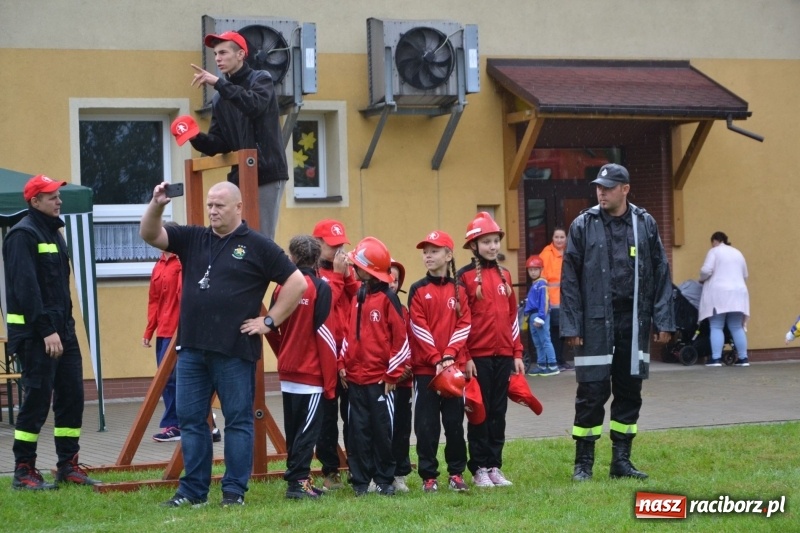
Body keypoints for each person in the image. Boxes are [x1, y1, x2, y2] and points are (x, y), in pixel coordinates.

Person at [140, 180, 307, 507]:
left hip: (234, 351)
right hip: (191, 350)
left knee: (238, 421)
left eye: (219, 205)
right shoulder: (193, 238)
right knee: (190, 420)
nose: (213, 211)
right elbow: (149, 234)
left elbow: (297, 283)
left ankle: (233, 493)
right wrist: (157, 203)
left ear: (238, 208)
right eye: (210, 205)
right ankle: (192, 492)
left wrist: (269, 321)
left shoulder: (258, 246)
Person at [561, 163, 674, 482]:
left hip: (633, 321)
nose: (601, 191)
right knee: (591, 391)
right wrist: (572, 325)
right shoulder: (583, 224)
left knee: (629, 390)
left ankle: (621, 461)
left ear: (625, 189)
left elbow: (661, 271)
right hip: (595, 321)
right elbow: (569, 277)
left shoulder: (645, 223)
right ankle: (583, 463)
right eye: (599, 186)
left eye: (608, 187)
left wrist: (663, 318)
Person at [4, 174, 101, 490]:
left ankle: (68, 466)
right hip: (37, 337)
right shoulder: (22, 235)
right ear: (34, 202)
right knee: (36, 402)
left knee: (72, 398)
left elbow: (59, 291)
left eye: (58, 195)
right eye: (51, 196)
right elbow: (26, 289)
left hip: (63, 334)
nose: (59, 200)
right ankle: (24, 470)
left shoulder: (54, 234)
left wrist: (65, 330)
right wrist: (46, 330)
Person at [188, 31, 288, 240]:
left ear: (241, 54)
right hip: (240, 176)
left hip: (266, 172)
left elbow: (253, 105)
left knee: (261, 239)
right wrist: (194, 135)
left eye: (223, 52)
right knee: (236, 238)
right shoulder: (219, 98)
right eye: (215, 54)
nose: (218, 58)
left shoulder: (261, 79)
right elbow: (219, 144)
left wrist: (219, 84)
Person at [265, 235, 338, 500]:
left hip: (288, 371)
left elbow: (271, 326)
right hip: (311, 374)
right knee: (307, 432)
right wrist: (330, 383)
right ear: (317, 258)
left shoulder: (282, 287)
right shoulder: (320, 287)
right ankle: (297, 483)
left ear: (292, 257)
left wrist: (284, 352)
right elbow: (326, 337)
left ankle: (299, 479)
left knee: (294, 430)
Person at [338, 237, 410, 497]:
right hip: (355, 380)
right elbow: (348, 333)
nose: (353, 268)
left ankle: (383, 479)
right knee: (358, 432)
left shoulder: (389, 299)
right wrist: (342, 363)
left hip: (380, 381)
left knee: (382, 433)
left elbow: (401, 342)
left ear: (367, 270)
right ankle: (360, 481)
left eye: (356, 265)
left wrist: (392, 374)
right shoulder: (358, 296)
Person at [457, 212, 525, 488]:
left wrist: (517, 353)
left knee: (498, 413)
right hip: (478, 359)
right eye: (486, 241)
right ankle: (479, 468)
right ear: (474, 245)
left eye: (495, 241)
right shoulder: (463, 278)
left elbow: (512, 319)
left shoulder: (506, 275)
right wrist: (466, 357)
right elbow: (460, 323)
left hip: (504, 356)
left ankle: (495, 465)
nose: (493, 246)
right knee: (479, 413)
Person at [408, 231, 472, 493]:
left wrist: (448, 357)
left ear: (448, 255)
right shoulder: (418, 289)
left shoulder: (460, 290)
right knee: (426, 426)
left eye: (434, 251)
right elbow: (418, 327)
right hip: (426, 372)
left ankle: (456, 474)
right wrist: (436, 358)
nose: (428, 256)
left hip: (451, 370)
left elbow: (465, 323)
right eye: (425, 252)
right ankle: (429, 476)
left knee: (455, 424)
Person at [312, 219, 359, 491]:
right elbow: (324, 305)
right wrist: (340, 278)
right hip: (326, 357)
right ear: (318, 245)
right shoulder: (314, 274)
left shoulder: (345, 272)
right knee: (327, 419)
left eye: (341, 245)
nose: (339, 250)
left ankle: (357, 466)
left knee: (353, 416)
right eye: (332, 246)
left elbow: (359, 301)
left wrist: (350, 276)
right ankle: (330, 471)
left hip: (350, 355)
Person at [142, 224, 182, 442]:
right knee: (166, 379)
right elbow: (154, 300)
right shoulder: (159, 265)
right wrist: (149, 329)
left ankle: (174, 425)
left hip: (178, 330)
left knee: (173, 379)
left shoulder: (182, 263)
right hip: (164, 331)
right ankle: (208, 425)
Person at [698, 232, 750, 367]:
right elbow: (745, 274)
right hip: (739, 293)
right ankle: (743, 358)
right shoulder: (738, 253)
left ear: (716, 240)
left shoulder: (714, 251)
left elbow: (706, 270)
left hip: (719, 294)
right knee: (736, 326)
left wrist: (702, 279)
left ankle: (715, 358)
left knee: (716, 325)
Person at [387, 259, 413, 493]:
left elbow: (411, 343)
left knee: (402, 428)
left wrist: (406, 368)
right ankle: (380, 473)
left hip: (403, 381)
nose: (391, 282)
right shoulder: (365, 304)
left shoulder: (405, 311)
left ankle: (399, 474)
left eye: (395, 279)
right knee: (381, 428)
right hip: (381, 381)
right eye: (387, 276)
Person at [539, 227, 572, 370]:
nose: (559, 240)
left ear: (566, 238)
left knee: (561, 332)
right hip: (552, 301)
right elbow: (542, 278)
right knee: (555, 332)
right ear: (552, 238)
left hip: (566, 299)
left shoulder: (569, 252)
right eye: (556, 237)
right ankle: (557, 361)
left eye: (562, 237)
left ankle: (559, 360)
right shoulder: (546, 254)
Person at [523, 255, 559, 376]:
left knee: (545, 340)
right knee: (538, 342)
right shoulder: (535, 284)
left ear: (541, 269)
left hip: (539, 315)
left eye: (535, 269)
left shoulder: (541, 283)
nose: (533, 272)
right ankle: (542, 365)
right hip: (533, 315)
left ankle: (553, 365)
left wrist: (541, 317)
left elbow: (544, 302)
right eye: (530, 270)